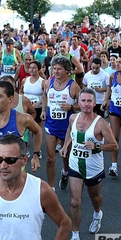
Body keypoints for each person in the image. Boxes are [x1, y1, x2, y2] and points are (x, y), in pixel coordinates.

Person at [59, 88, 118, 240]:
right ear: (78, 102)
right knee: (74, 201)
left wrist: (97, 145)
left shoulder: (101, 123)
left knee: (94, 197)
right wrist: (65, 146)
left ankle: (97, 213)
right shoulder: (73, 117)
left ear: (94, 103)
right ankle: (75, 237)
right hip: (75, 164)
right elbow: (70, 132)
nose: (86, 104)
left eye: (89, 101)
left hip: (94, 168)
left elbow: (114, 145)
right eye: (83, 101)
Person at [41, 56, 80, 190]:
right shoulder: (48, 83)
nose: (55, 72)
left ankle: (65, 171)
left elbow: (82, 104)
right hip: (51, 125)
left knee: (66, 155)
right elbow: (45, 95)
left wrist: (72, 107)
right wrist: (44, 110)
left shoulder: (73, 86)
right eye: (54, 69)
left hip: (66, 128)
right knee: (50, 158)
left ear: (67, 70)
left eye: (59, 69)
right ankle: (51, 187)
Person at [20, 60, 45, 126]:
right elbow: (20, 92)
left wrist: (39, 103)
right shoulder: (25, 80)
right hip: (26, 107)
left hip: (37, 108)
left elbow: (47, 96)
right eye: (30, 68)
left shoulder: (42, 82)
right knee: (25, 128)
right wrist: (25, 99)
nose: (31, 70)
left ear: (39, 70)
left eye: (34, 68)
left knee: (37, 128)